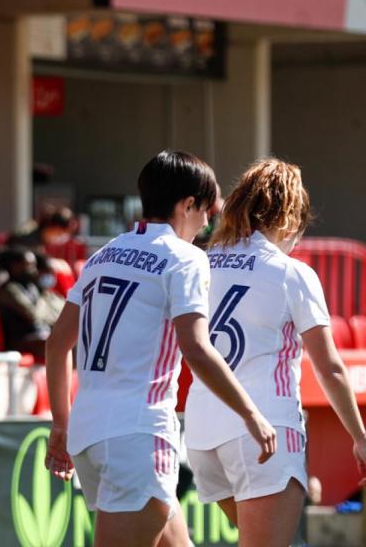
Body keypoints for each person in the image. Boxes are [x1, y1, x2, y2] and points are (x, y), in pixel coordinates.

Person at [43, 150, 277, 547]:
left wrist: (61, 424)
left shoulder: (103, 255)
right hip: (138, 433)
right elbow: (196, 348)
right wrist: (251, 414)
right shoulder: (185, 258)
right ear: (188, 205)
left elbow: (55, 345)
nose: (207, 224)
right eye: (207, 213)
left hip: (90, 431)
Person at [185, 158, 366, 546]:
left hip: (202, 431)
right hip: (265, 430)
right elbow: (330, 368)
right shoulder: (290, 273)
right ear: (289, 216)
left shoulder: (201, 262)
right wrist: (360, 436)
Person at [0, 247, 64, 361]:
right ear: (15, 266)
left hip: (40, 333)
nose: (34, 269)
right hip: (19, 340)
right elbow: (34, 315)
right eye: (29, 265)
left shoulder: (31, 287)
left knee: (70, 335)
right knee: (61, 342)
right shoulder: (9, 290)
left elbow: (60, 309)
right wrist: (43, 298)